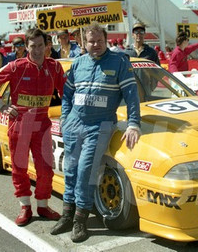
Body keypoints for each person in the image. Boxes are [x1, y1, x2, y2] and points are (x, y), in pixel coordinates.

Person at [51, 22, 141, 242]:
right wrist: (65, 118)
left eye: (100, 41)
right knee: (70, 169)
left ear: (106, 39)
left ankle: (80, 221)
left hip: (100, 125)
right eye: (91, 41)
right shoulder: (78, 63)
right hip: (74, 124)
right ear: (83, 42)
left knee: (85, 171)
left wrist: (133, 123)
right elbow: (67, 95)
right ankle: (67, 215)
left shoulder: (119, 61)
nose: (96, 45)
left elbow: (131, 94)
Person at [0, 28, 66, 227]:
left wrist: (70, 113)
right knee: (19, 167)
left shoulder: (54, 67)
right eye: (32, 46)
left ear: (47, 46)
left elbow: (66, 91)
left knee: (45, 169)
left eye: (40, 46)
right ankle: (25, 206)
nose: (37, 50)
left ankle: (43, 205)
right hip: (20, 124)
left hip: (43, 125)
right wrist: (1, 106)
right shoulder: (15, 66)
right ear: (26, 47)